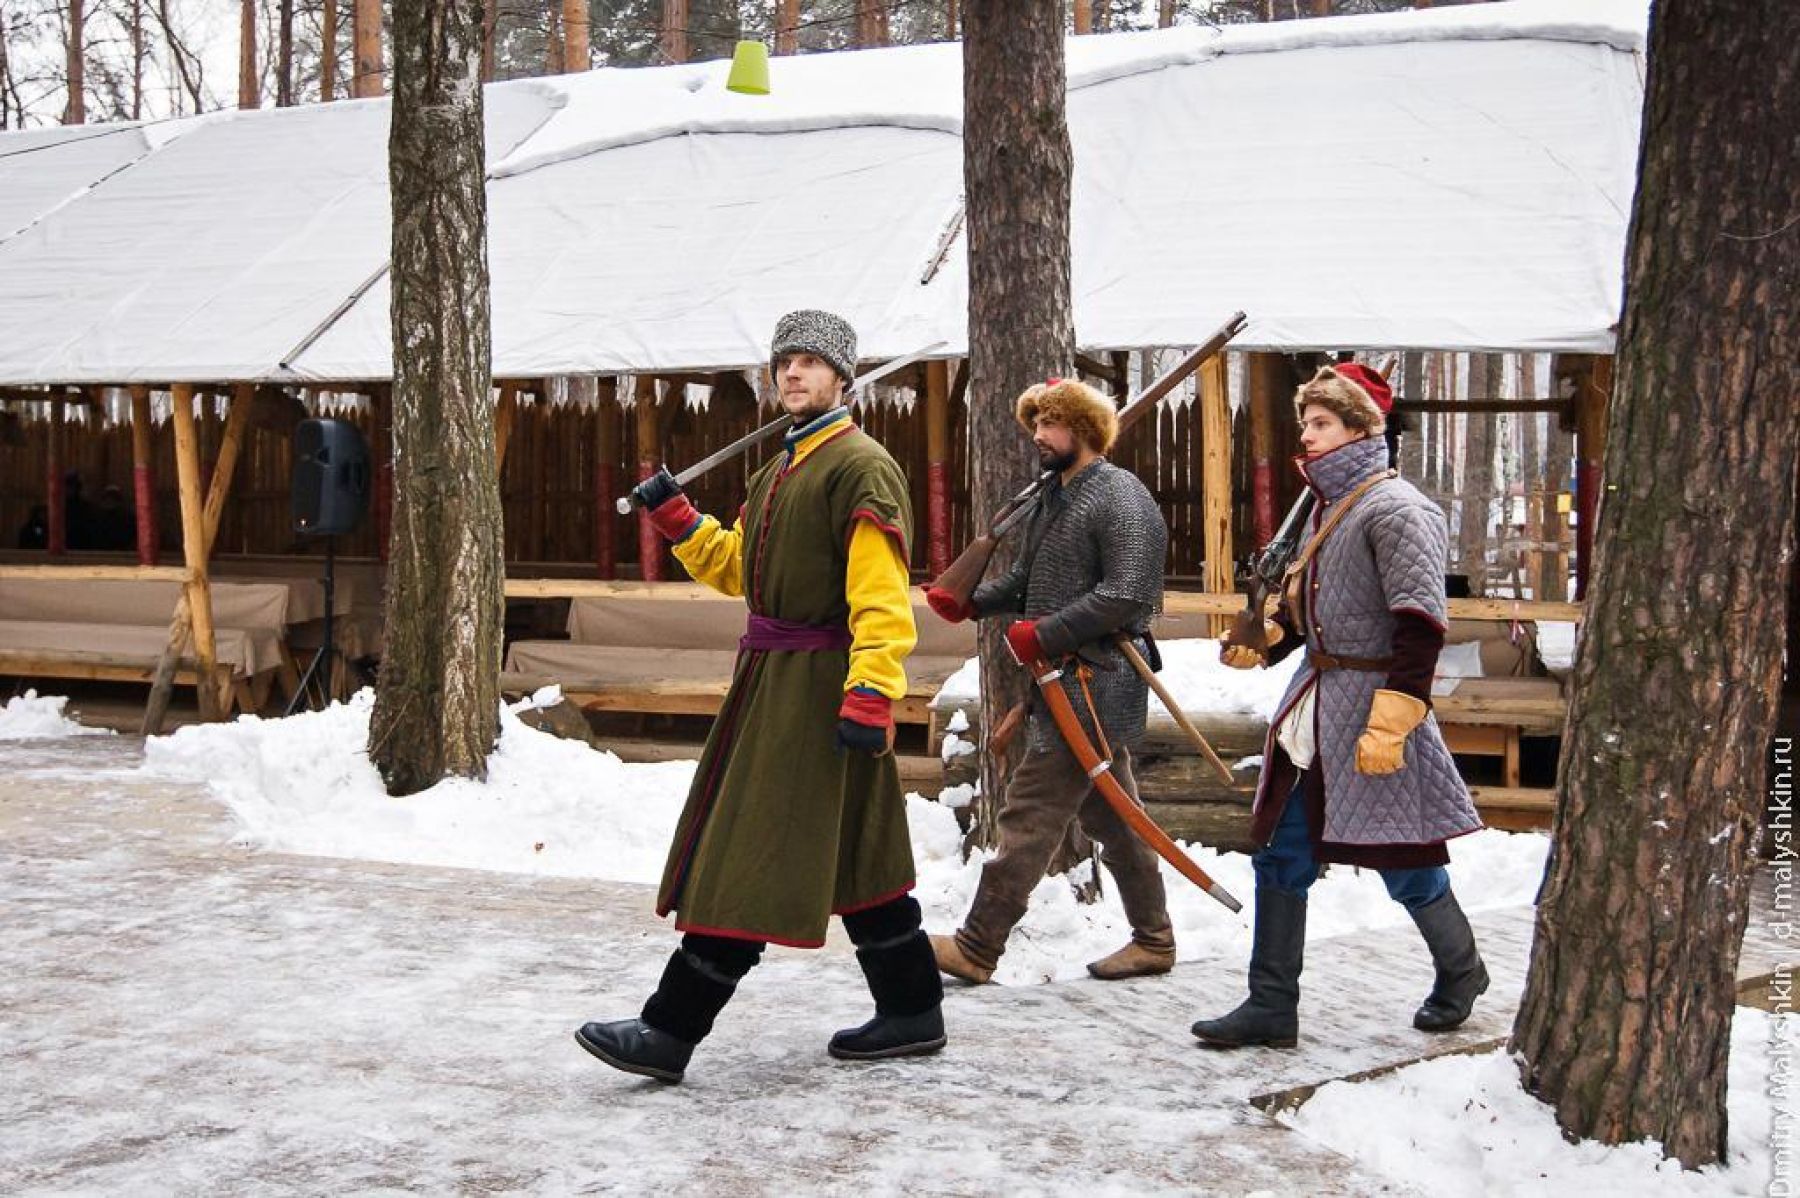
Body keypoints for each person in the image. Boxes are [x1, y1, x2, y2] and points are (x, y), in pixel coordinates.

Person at [574, 310, 943, 1083]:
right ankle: (913, 1011)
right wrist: (680, 520)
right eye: (784, 363)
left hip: (821, 689)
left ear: (844, 376)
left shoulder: (861, 467)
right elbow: (743, 570)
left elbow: (881, 596)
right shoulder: (779, 470)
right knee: (857, 852)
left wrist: (872, 691)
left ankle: (669, 1030)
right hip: (772, 686)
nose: (794, 375)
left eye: (811, 362)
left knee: (751, 853)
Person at [1191, 363, 1487, 1049]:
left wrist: (1397, 714)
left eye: (1322, 424)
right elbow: (1312, 610)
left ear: (1360, 427)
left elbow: (1419, 622)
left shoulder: (1397, 509)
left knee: (1405, 865)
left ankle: (1462, 971)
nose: (1309, 436)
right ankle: (1270, 1005)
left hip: (1374, 708)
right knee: (1282, 853)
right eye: (1307, 423)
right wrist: (1268, 643)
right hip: (1318, 705)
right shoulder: (1326, 508)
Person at [924, 378, 1174, 985]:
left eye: (1050, 424)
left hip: (1097, 679)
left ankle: (978, 948)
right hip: (1064, 678)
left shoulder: (1120, 496)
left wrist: (1046, 635)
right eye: (1035, 421)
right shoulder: (1053, 498)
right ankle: (1155, 940)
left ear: (1083, 431)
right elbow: (1028, 584)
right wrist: (973, 603)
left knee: (1030, 812)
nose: (1037, 435)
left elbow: (1127, 593)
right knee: (1115, 817)